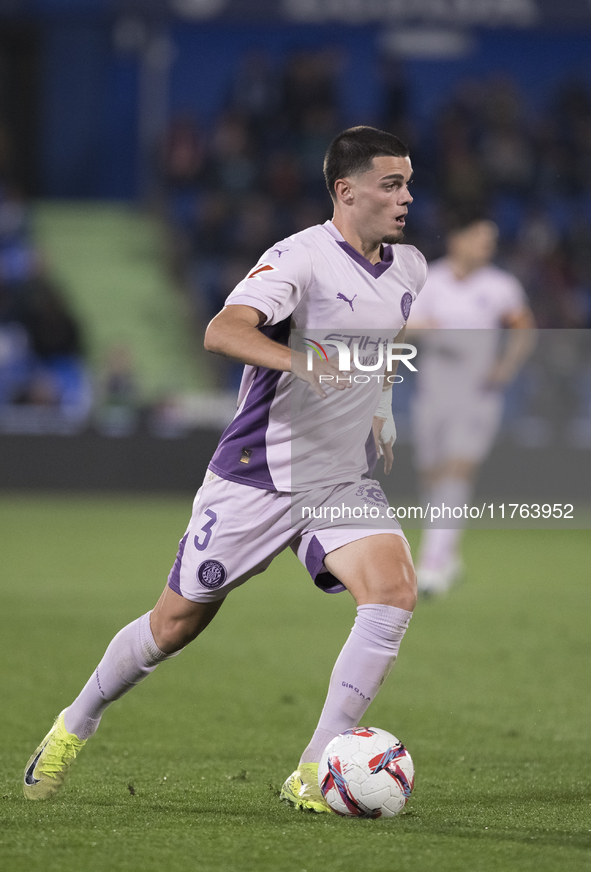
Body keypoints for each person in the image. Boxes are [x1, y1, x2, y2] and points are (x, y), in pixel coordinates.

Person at [23, 126, 426, 813]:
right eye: (390, 184)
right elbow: (223, 329)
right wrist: (304, 360)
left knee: (391, 590)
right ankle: (76, 720)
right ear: (345, 190)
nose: (405, 197)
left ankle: (311, 771)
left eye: (408, 182)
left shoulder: (410, 267)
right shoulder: (296, 259)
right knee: (174, 623)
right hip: (256, 475)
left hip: (337, 476)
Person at [408, 215, 535, 595]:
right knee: (431, 475)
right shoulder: (431, 279)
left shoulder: (501, 286)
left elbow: (523, 330)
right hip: (432, 393)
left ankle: (430, 565)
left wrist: (506, 366)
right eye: (480, 237)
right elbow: (406, 325)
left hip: (478, 396)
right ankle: (447, 549)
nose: (487, 245)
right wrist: (427, 329)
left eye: (491, 239)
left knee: (457, 470)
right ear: (457, 239)